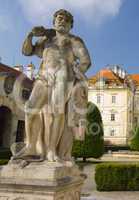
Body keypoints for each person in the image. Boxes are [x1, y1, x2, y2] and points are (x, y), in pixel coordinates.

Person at [18, 9, 91, 163]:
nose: (61, 21)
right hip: (44, 76)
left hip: (64, 76)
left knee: (57, 113)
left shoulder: (74, 40)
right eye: (59, 18)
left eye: (65, 19)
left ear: (70, 25)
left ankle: (52, 150)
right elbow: (27, 51)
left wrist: (75, 75)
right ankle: (31, 146)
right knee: (30, 109)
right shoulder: (47, 39)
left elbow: (85, 61)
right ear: (54, 22)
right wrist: (30, 34)